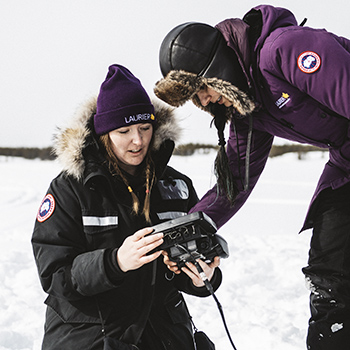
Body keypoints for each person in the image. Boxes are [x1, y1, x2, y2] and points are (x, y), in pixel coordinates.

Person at [154, 5, 350, 350]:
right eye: (196, 98)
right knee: (329, 274)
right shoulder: (248, 110)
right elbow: (236, 180)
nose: (204, 101)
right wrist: (193, 227)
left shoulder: (285, 50)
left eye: (202, 89)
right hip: (346, 161)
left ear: (217, 68)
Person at [31, 64, 222, 350]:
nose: (138, 140)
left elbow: (197, 252)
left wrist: (202, 275)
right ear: (104, 134)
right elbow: (56, 276)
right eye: (124, 131)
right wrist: (115, 261)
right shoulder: (70, 189)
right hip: (91, 334)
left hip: (162, 331)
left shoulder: (177, 186)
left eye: (145, 128)